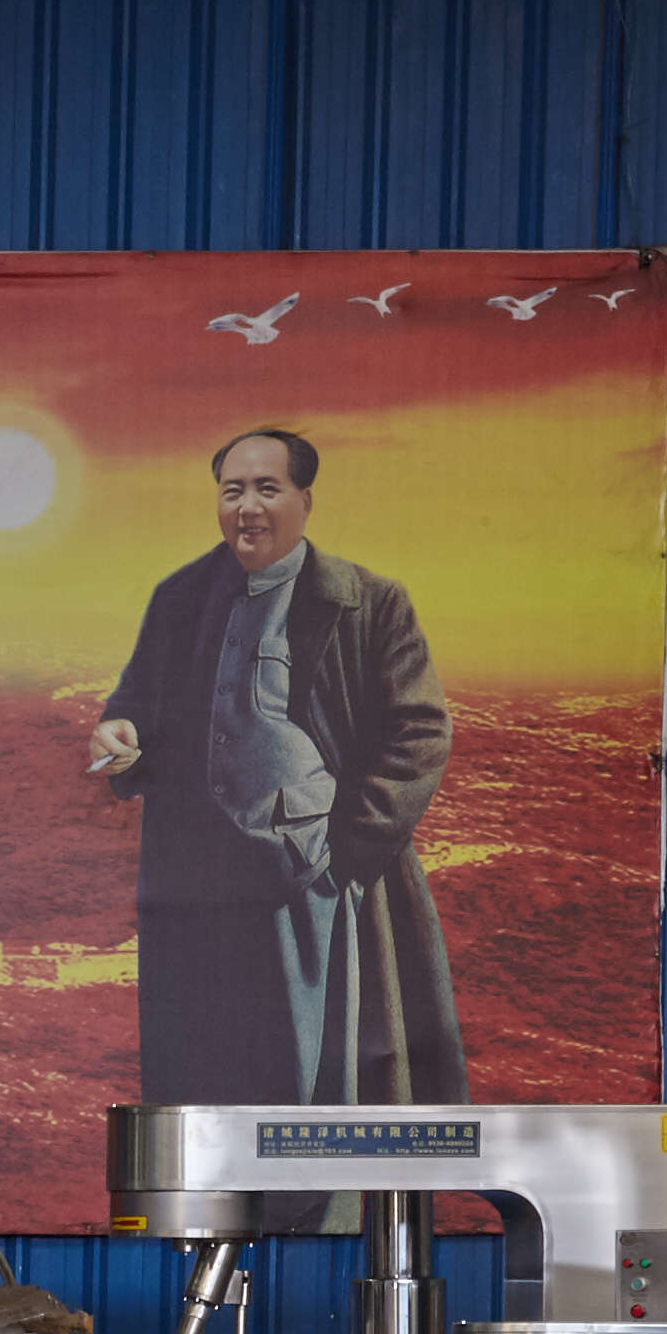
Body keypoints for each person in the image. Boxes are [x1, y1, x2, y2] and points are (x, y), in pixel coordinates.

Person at [89, 428, 461, 1107]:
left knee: (316, 1075)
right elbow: (138, 701)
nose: (248, 508)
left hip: (316, 881)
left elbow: (420, 731)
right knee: (209, 1069)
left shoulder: (371, 603)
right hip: (198, 883)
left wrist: (346, 854)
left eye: (267, 489)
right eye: (232, 492)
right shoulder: (179, 598)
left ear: (304, 502)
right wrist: (124, 730)